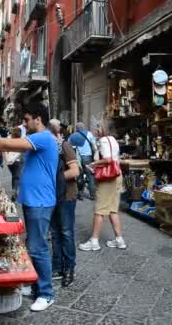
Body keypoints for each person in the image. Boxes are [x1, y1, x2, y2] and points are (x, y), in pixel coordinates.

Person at [0, 102, 58, 312]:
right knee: (33, 244)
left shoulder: (43, 137)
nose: (24, 124)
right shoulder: (40, 138)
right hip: (33, 199)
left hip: (40, 201)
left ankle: (46, 293)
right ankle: (36, 284)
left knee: (39, 247)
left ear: (38, 118)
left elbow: (9, 144)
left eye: (27, 120)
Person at [78, 120, 127, 251]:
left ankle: (94, 241)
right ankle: (119, 239)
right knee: (112, 209)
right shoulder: (113, 140)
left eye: (99, 127)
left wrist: (94, 164)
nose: (96, 129)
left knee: (99, 209)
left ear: (105, 128)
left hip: (107, 178)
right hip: (117, 175)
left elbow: (108, 159)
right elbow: (113, 159)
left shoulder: (104, 140)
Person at [48, 119, 80, 287]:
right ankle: (58, 266)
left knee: (66, 231)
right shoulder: (48, 148)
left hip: (67, 194)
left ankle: (69, 268)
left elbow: (75, 170)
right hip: (52, 196)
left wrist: (54, 179)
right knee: (54, 232)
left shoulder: (64, 146)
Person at [68, 122, 97, 200]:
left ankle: (80, 194)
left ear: (76, 128)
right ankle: (92, 194)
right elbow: (94, 145)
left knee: (79, 175)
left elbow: (69, 147)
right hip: (87, 156)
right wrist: (96, 154)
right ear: (83, 127)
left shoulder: (72, 136)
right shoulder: (89, 134)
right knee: (90, 175)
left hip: (77, 157)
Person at [4, 127, 23, 201]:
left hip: (10, 161)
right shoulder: (20, 140)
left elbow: (4, 149)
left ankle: (14, 190)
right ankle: (14, 189)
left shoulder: (8, 138)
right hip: (16, 160)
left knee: (14, 176)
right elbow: (20, 151)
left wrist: (6, 159)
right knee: (16, 176)